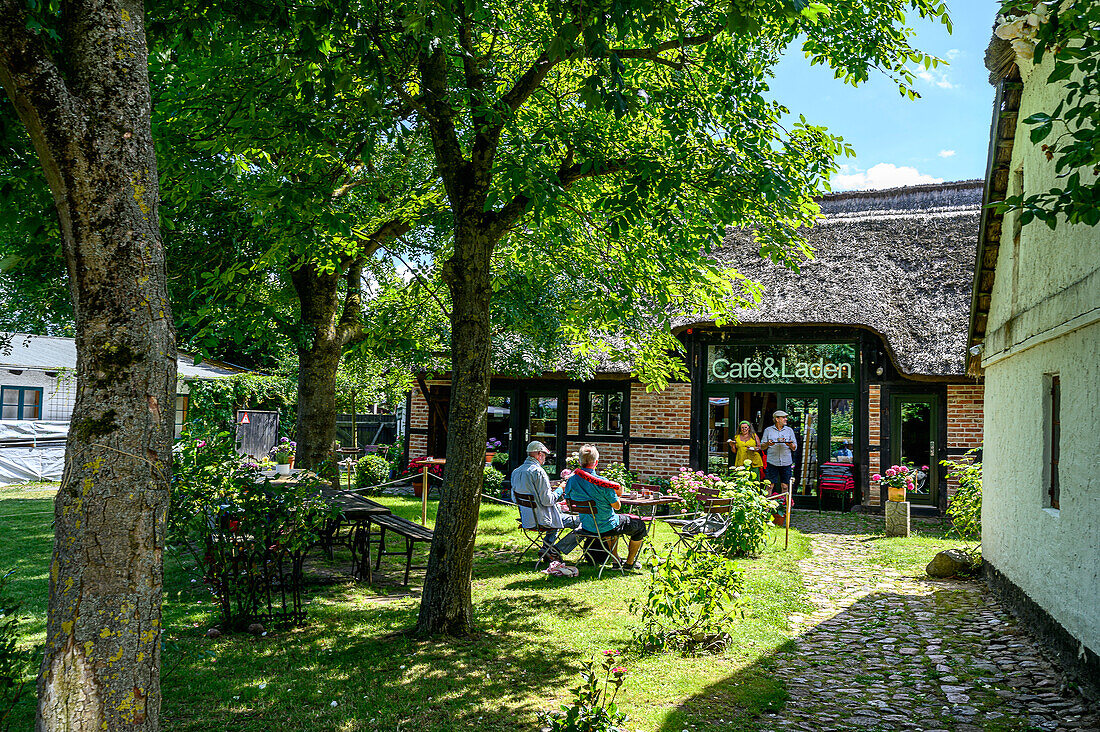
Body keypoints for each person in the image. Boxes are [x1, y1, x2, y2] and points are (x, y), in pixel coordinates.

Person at [564, 444, 647, 569]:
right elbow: (617, 506)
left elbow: (568, 497)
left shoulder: (571, 480)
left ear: (580, 461)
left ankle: (616, 560)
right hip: (606, 526)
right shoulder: (603, 483)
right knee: (639, 526)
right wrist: (616, 495)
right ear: (596, 462)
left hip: (587, 526)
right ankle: (629, 563)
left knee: (613, 521)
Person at [511, 440, 581, 562]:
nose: (544, 459)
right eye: (544, 455)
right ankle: (555, 549)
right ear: (539, 454)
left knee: (558, 515)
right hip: (543, 520)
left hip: (527, 519)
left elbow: (514, 498)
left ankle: (547, 547)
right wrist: (560, 489)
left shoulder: (516, 471)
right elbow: (547, 501)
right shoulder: (538, 472)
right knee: (584, 522)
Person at [761, 410, 797, 496]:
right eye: (784, 417)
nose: (786, 419)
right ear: (777, 419)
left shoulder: (789, 430)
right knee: (769, 486)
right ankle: (767, 507)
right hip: (772, 461)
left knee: (785, 486)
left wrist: (790, 444)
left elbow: (794, 448)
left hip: (786, 462)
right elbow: (762, 447)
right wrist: (768, 443)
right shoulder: (768, 430)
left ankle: (784, 506)